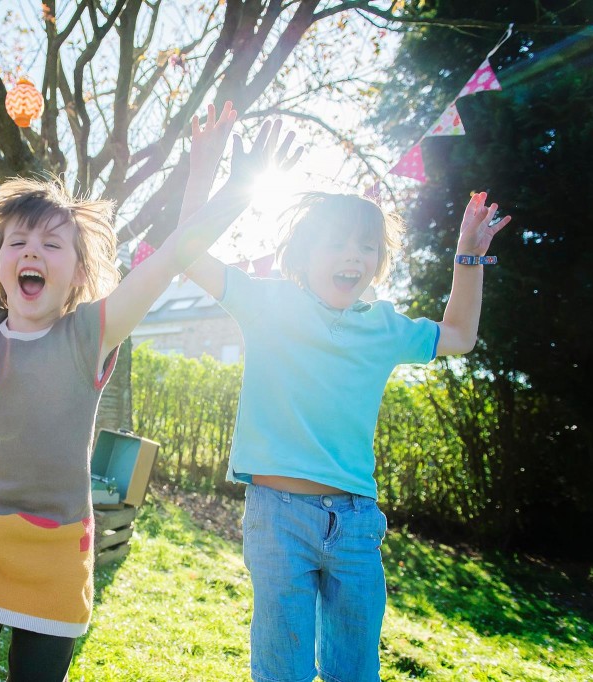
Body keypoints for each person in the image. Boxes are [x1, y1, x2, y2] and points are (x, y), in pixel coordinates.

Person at [0, 107, 300, 681]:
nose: (31, 252)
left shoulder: (89, 334)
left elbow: (176, 254)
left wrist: (229, 188)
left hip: (54, 554)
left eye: (53, 245)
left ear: (78, 273)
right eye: (18, 242)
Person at [181, 103, 512, 682]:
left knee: (355, 671)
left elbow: (459, 335)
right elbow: (185, 254)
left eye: (367, 247)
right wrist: (204, 168)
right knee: (280, 670)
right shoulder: (268, 304)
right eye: (338, 244)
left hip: (357, 523)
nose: (354, 256)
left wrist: (469, 256)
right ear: (302, 255)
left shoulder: (384, 327)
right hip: (278, 519)